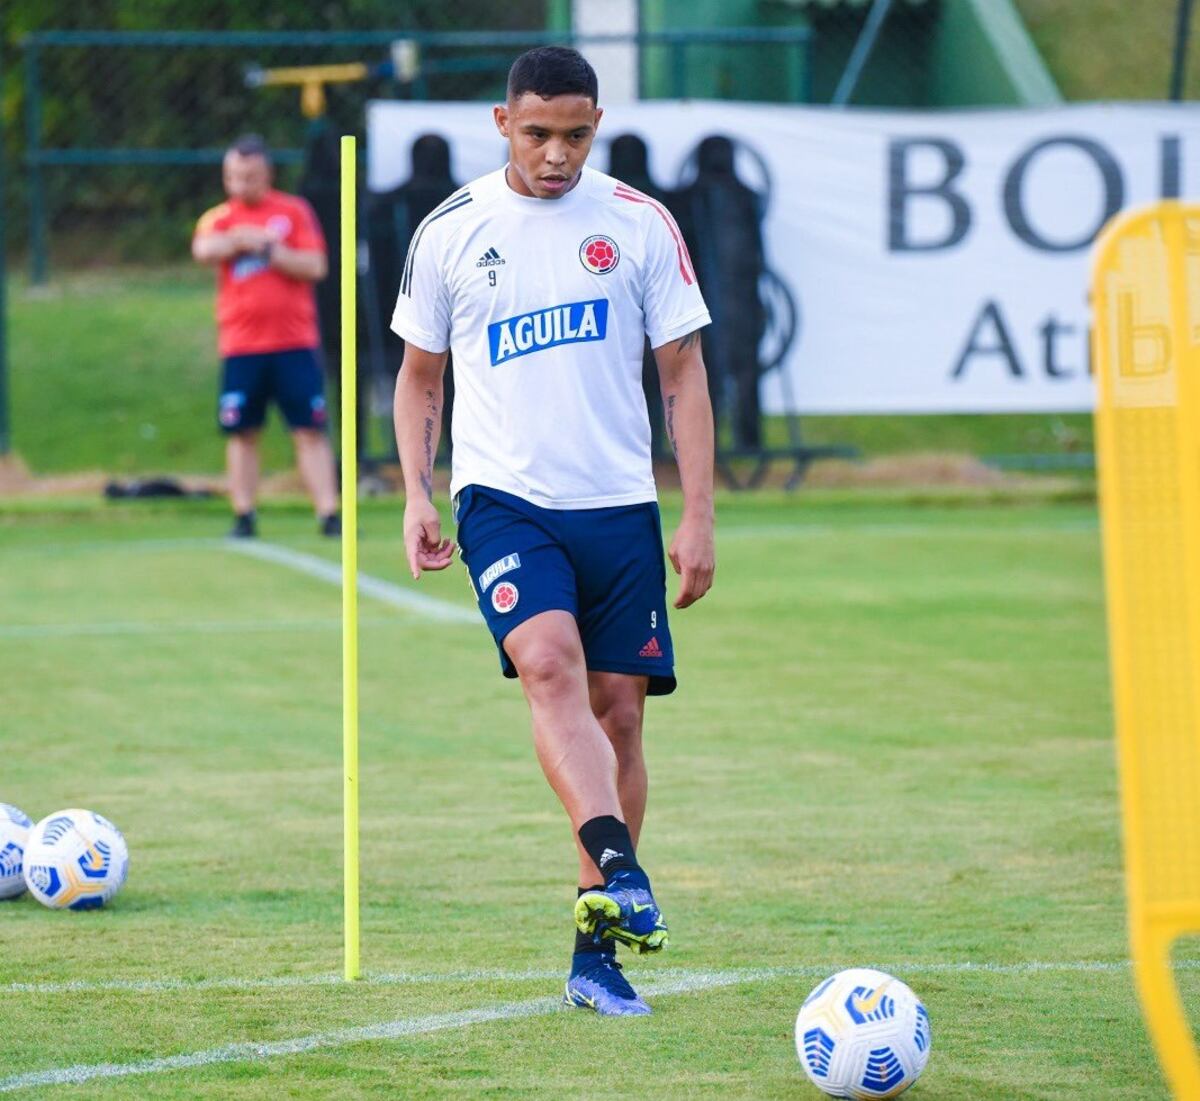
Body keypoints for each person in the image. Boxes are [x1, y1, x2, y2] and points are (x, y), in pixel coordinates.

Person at [391, 47, 715, 1017]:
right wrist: (417, 490)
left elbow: (683, 374)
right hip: (504, 499)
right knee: (547, 663)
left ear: (597, 125)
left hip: (619, 505)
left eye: (577, 135)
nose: (557, 155)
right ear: (502, 124)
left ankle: (597, 948)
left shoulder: (640, 224)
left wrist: (697, 513)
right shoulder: (452, 230)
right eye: (537, 134)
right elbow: (419, 379)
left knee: (621, 712)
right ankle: (622, 864)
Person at [192, 134, 340, 538]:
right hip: (241, 346)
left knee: (309, 429)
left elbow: (315, 265)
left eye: (250, 176)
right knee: (242, 430)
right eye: (234, 177)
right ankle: (243, 513)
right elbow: (203, 249)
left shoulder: (293, 213)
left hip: (294, 342)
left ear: (267, 174)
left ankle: (328, 513)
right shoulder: (220, 218)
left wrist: (272, 251)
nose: (241, 185)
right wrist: (239, 240)